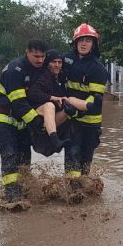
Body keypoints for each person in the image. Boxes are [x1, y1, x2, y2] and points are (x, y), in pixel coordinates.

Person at [0, 39, 48, 202]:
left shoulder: (39, 69)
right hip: (4, 119)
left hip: (21, 122)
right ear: (27, 52)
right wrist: (37, 122)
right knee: (10, 155)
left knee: (24, 158)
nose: (40, 60)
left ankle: (25, 190)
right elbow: (19, 103)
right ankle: (12, 197)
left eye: (43, 57)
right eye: (36, 56)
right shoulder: (15, 70)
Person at [62, 23, 109, 181]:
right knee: (71, 155)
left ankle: (83, 188)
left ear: (93, 44)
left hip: (91, 122)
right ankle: (73, 192)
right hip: (72, 120)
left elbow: (94, 98)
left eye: (88, 40)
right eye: (81, 40)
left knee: (85, 161)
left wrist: (78, 108)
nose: (84, 43)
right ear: (75, 42)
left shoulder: (98, 69)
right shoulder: (65, 60)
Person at [26, 49, 81, 156]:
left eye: (59, 62)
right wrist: (52, 97)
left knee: (69, 110)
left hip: (53, 120)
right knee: (49, 105)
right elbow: (32, 93)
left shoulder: (61, 78)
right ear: (47, 63)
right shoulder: (43, 76)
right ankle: (55, 140)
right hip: (38, 115)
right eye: (53, 62)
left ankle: (63, 139)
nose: (57, 65)